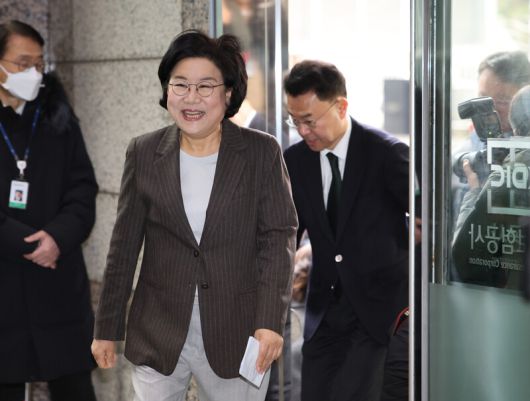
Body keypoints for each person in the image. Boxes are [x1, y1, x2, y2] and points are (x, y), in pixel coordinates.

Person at [91, 30, 298, 401]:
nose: (191, 97)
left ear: (228, 93)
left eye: (205, 86)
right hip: (158, 328)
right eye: (181, 84)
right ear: (167, 89)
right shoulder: (143, 152)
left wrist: (269, 322)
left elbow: (278, 239)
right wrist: (106, 327)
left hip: (238, 331)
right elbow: (123, 247)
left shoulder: (261, 153)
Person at [283, 60, 409, 401]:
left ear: (341, 106)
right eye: (294, 121)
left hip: (377, 313)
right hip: (324, 312)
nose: (302, 131)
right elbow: (287, 233)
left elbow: (426, 221)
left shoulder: (386, 154)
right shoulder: (295, 160)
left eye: (309, 120)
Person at [0, 20, 99, 401]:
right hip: (5, 280)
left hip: (57, 278)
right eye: (22, 63)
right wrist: (27, 243)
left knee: (73, 385)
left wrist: (57, 238)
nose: (33, 73)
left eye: (39, 64)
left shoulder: (57, 115)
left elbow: (83, 187)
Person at [452, 84, 530, 289]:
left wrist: (474, 193)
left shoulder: (514, 171)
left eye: (503, 99)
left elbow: (465, 262)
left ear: (516, 129)